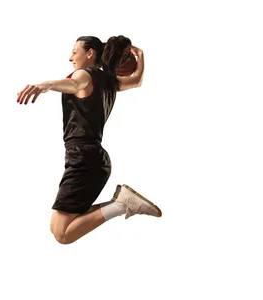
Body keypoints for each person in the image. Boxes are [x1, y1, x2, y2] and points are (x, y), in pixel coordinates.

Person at [16, 35, 162, 245]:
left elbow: (75, 84)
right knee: (58, 227)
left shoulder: (84, 75)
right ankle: (120, 203)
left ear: (90, 53)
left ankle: (122, 205)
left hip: (84, 157)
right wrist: (140, 55)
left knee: (63, 233)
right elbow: (137, 80)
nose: (70, 58)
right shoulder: (111, 82)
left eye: (75, 52)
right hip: (91, 158)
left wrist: (44, 85)